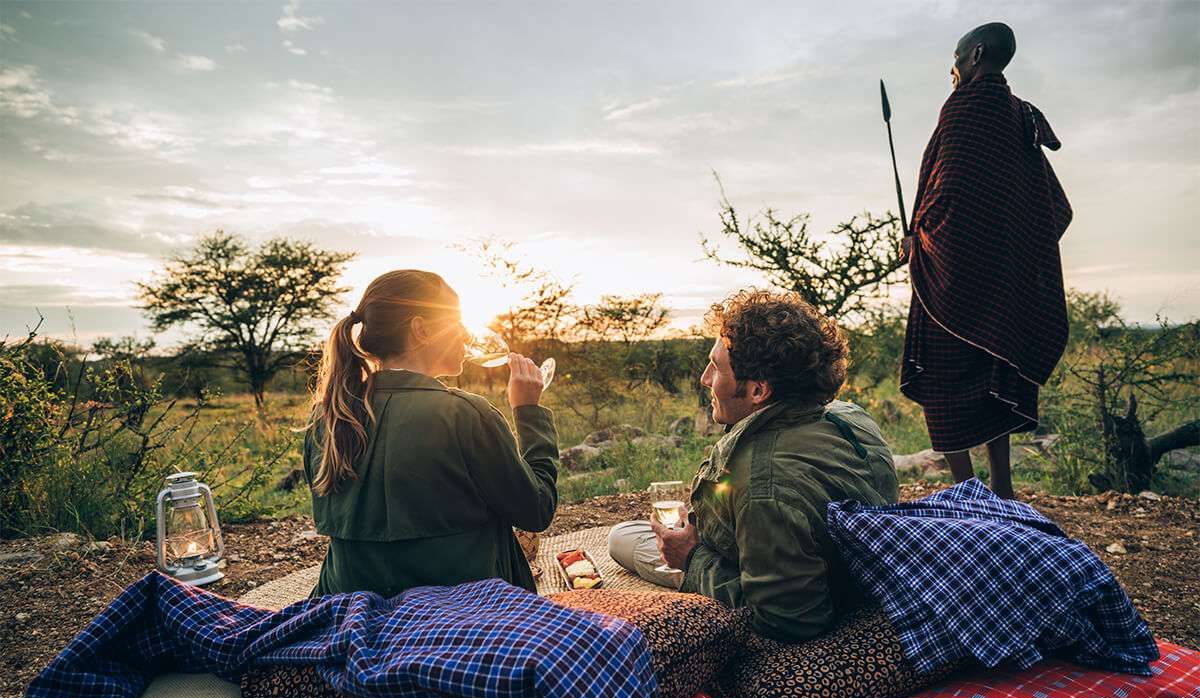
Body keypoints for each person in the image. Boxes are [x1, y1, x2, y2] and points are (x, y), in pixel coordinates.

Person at [608, 290, 899, 642]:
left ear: (758, 390)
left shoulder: (765, 486)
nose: (704, 379)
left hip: (815, 602)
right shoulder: (849, 415)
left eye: (716, 368)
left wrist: (690, 557)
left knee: (621, 537)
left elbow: (786, 621)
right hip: (858, 578)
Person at [304, 269, 558, 597]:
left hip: (348, 606)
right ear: (421, 330)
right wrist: (528, 412)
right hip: (462, 613)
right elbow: (536, 510)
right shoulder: (464, 414)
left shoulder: (327, 415)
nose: (467, 337)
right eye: (458, 323)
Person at [899, 22, 1073, 499]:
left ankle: (967, 488)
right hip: (1004, 281)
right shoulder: (1019, 114)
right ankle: (1003, 485)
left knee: (941, 375)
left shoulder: (966, 106)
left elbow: (948, 189)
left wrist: (920, 238)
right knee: (995, 365)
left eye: (956, 57)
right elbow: (1048, 204)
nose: (951, 68)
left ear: (975, 55)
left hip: (952, 275)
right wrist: (1007, 249)